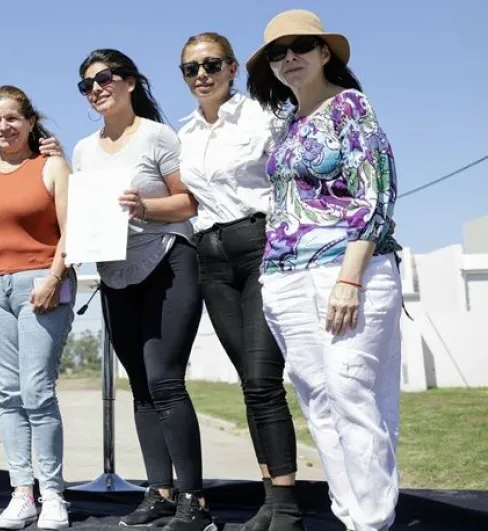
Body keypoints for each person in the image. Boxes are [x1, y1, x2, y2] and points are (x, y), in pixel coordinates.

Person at [246, 10, 403, 531]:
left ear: (324, 52)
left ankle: (372, 522)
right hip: (284, 277)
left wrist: (350, 279)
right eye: (278, 52)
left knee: (351, 392)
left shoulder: (350, 106)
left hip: (345, 268)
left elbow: (377, 194)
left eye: (300, 46)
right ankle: (349, 515)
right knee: (317, 401)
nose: (289, 57)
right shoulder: (288, 124)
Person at [71, 49, 214, 531]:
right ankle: (160, 492)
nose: (96, 89)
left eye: (104, 78)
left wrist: (145, 208)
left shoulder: (157, 136)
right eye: (86, 84)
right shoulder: (83, 150)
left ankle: (194, 501)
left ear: (130, 82)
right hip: (115, 274)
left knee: (165, 381)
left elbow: (189, 203)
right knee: (140, 387)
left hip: (167, 263)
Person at [176, 32, 304, 530]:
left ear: (232, 68)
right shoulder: (184, 134)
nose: (201, 75)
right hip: (211, 260)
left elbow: (295, 181)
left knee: (263, 379)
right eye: (191, 68)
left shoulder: (265, 115)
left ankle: (288, 508)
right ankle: (270, 499)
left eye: (211, 64)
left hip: (260, 249)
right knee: (250, 384)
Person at [0, 85, 75, 530]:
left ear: (29, 122)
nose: (3, 127)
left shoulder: (53, 166)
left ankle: (53, 495)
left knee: (37, 391)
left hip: (40, 284)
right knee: (8, 395)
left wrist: (54, 279)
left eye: (11, 118)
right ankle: (22, 493)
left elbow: (71, 231)